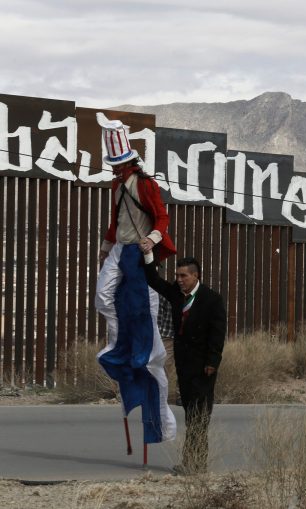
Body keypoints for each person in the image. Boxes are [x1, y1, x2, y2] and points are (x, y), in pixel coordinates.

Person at [94, 113, 177, 445]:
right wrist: (105, 247)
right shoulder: (117, 185)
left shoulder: (145, 184)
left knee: (143, 306)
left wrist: (153, 240)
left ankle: (134, 348)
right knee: (103, 296)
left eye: (118, 164)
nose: (115, 169)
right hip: (120, 249)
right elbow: (115, 222)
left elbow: (162, 216)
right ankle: (117, 341)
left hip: (138, 250)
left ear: (127, 162)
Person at [144, 256, 226, 475]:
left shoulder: (212, 299)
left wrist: (212, 361)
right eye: (177, 276)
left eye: (183, 276)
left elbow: (217, 334)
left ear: (195, 275)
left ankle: (195, 464)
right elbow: (153, 280)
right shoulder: (176, 295)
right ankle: (194, 464)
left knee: (199, 416)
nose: (179, 280)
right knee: (192, 416)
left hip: (203, 368)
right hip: (185, 366)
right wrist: (148, 255)